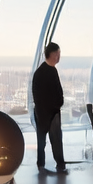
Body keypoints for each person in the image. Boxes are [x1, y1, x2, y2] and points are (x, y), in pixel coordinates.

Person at [32, 42, 67, 174]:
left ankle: (43, 164)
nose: (58, 57)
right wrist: (56, 106)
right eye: (57, 54)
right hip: (49, 113)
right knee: (55, 140)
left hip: (45, 112)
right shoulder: (46, 72)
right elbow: (45, 95)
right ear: (51, 55)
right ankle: (59, 165)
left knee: (44, 140)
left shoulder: (44, 71)